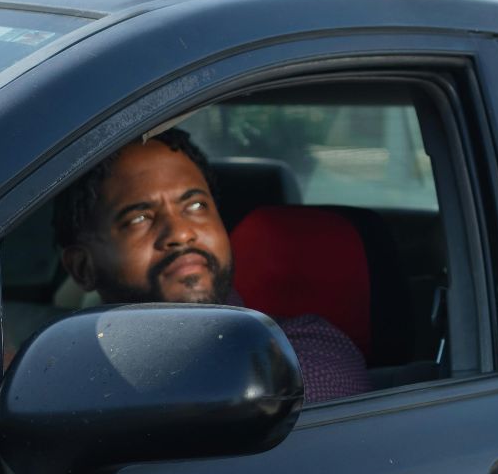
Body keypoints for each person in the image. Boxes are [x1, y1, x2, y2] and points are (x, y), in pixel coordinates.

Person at [52, 128, 371, 404]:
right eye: (139, 218)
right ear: (82, 267)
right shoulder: (59, 369)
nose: (180, 233)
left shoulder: (307, 351)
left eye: (195, 205)